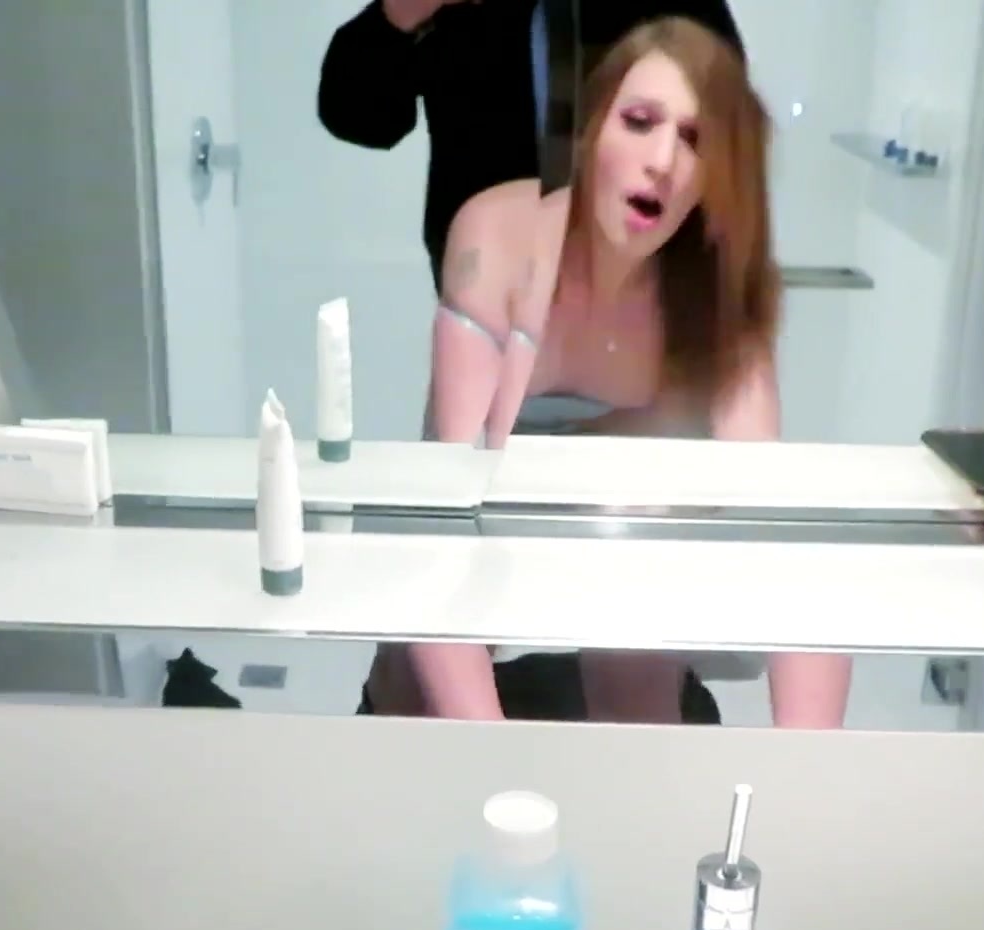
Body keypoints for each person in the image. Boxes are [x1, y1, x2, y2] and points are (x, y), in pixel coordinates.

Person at [360, 17, 854, 728]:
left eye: (695, 138)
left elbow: (769, 519)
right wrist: (494, 766)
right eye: (640, 122)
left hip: (618, 527)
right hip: (480, 511)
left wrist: (804, 769)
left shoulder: (715, 294)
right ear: (590, 132)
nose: (664, 160)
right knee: (413, 689)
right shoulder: (498, 241)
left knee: (640, 675)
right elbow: (446, 525)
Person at [315, 0, 744, 287]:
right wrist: (400, 13)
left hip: (638, 309)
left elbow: (727, 118)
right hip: (488, 301)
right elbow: (359, 118)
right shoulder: (459, 14)